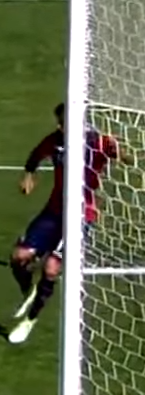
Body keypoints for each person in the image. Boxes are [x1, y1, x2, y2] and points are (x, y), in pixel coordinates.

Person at [8, 103, 122, 344]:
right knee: (19, 256)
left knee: (51, 268)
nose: (60, 128)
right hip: (54, 212)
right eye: (59, 123)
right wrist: (29, 174)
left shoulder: (97, 142)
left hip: (81, 215)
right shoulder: (55, 141)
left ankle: (30, 319)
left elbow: (127, 158)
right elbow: (36, 154)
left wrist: (119, 151)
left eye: (64, 123)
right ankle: (28, 290)